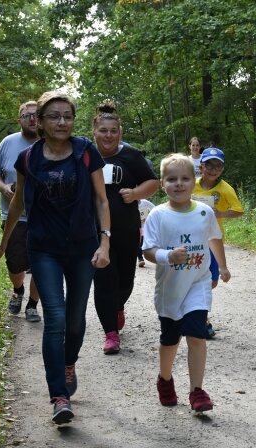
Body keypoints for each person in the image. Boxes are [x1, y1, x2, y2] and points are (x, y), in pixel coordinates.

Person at [0, 91, 110, 424]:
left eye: (67, 116)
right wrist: (2, 245)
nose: (61, 122)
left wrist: (105, 242)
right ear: (40, 121)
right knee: (54, 318)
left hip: (83, 247)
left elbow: (102, 201)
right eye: (54, 116)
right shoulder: (28, 159)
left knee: (75, 319)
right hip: (44, 248)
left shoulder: (86, 152)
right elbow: (18, 204)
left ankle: (68, 361)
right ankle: (58, 394)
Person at [143, 154, 230, 412]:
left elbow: (214, 238)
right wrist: (167, 256)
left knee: (196, 335)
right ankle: (165, 379)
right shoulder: (157, 215)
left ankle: (197, 391)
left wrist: (222, 266)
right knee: (170, 340)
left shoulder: (205, 212)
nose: (178, 184)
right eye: (172, 179)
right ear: (162, 184)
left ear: (194, 182)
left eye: (184, 179)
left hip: (197, 283)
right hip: (170, 289)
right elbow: (148, 251)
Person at [91, 101, 159, 355]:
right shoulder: (85, 155)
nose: (108, 135)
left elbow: (153, 182)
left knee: (125, 281)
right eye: (103, 131)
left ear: (119, 132)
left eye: (113, 131)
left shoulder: (130, 155)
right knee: (103, 279)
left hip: (127, 229)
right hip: (95, 231)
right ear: (94, 132)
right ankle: (110, 332)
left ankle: (118, 305)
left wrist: (135, 193)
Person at [0, 101, 42, 322]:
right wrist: (3, 188)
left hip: (44, 217)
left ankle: (32, 304)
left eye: (36, 115)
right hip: (13, 216)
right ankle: (18, 290)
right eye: (26, 115)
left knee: (41, 263)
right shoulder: (8, 143)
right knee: (15, 263)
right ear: (19, 119)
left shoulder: (50, 143)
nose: (32, 119)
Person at [192, 146, 244, 338]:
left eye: (218, 166)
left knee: (212, 281)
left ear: (222, 169)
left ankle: (196, 314)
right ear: (201, 166)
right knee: (196, 280)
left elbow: (239, 210)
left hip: (213, 241)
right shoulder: (191, 184)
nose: (213, 169)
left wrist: (220, 213)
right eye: (209, 165)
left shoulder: (225, 189)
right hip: (191, 241)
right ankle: (201, 320)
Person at [137, 198, 155, 268]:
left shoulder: (144, 202)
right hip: (135, 227)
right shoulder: (129, 204)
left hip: (145, 227)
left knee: (143, 242)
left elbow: (154, 209)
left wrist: (148, 216)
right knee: (137, 242)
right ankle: (140, 259)